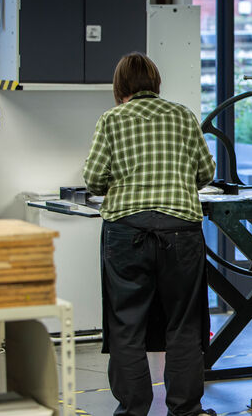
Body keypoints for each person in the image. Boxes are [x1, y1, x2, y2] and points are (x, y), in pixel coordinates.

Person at [83, 52, 217, 416]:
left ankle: (132, 410)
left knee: (126, 324)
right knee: (184, 324)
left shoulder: (111, 120)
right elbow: (206, 171)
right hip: (181, 232)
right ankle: (185, 410)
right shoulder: (183, 116)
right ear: (156, 83)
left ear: (120, 87)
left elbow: (93, 179)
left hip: (127, 232)